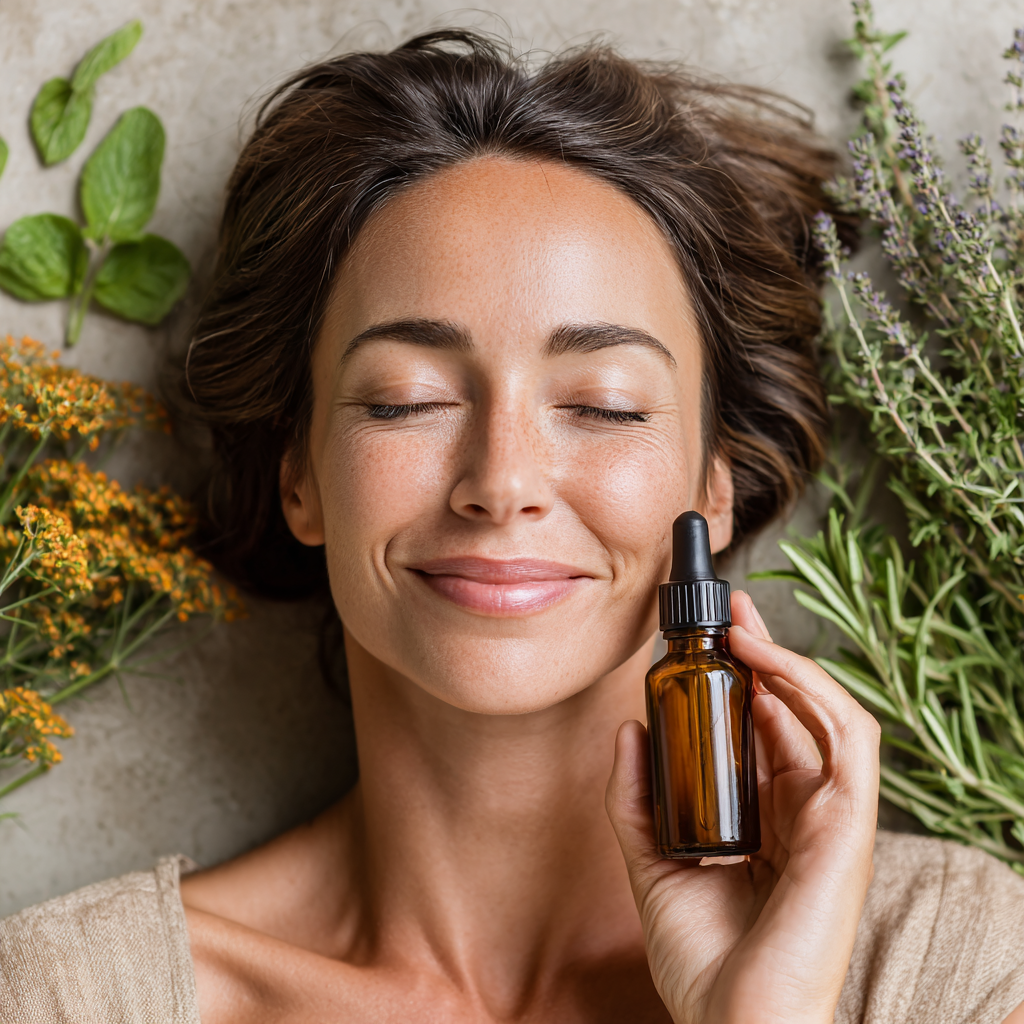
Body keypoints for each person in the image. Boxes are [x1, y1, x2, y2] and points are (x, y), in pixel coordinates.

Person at [4, 31, 1024, 1024]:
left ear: (714, 488)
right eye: (404, 398)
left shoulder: (956, 968)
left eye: (608, 405)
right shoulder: (70, 997)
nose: (502, 482)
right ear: (300, 475)